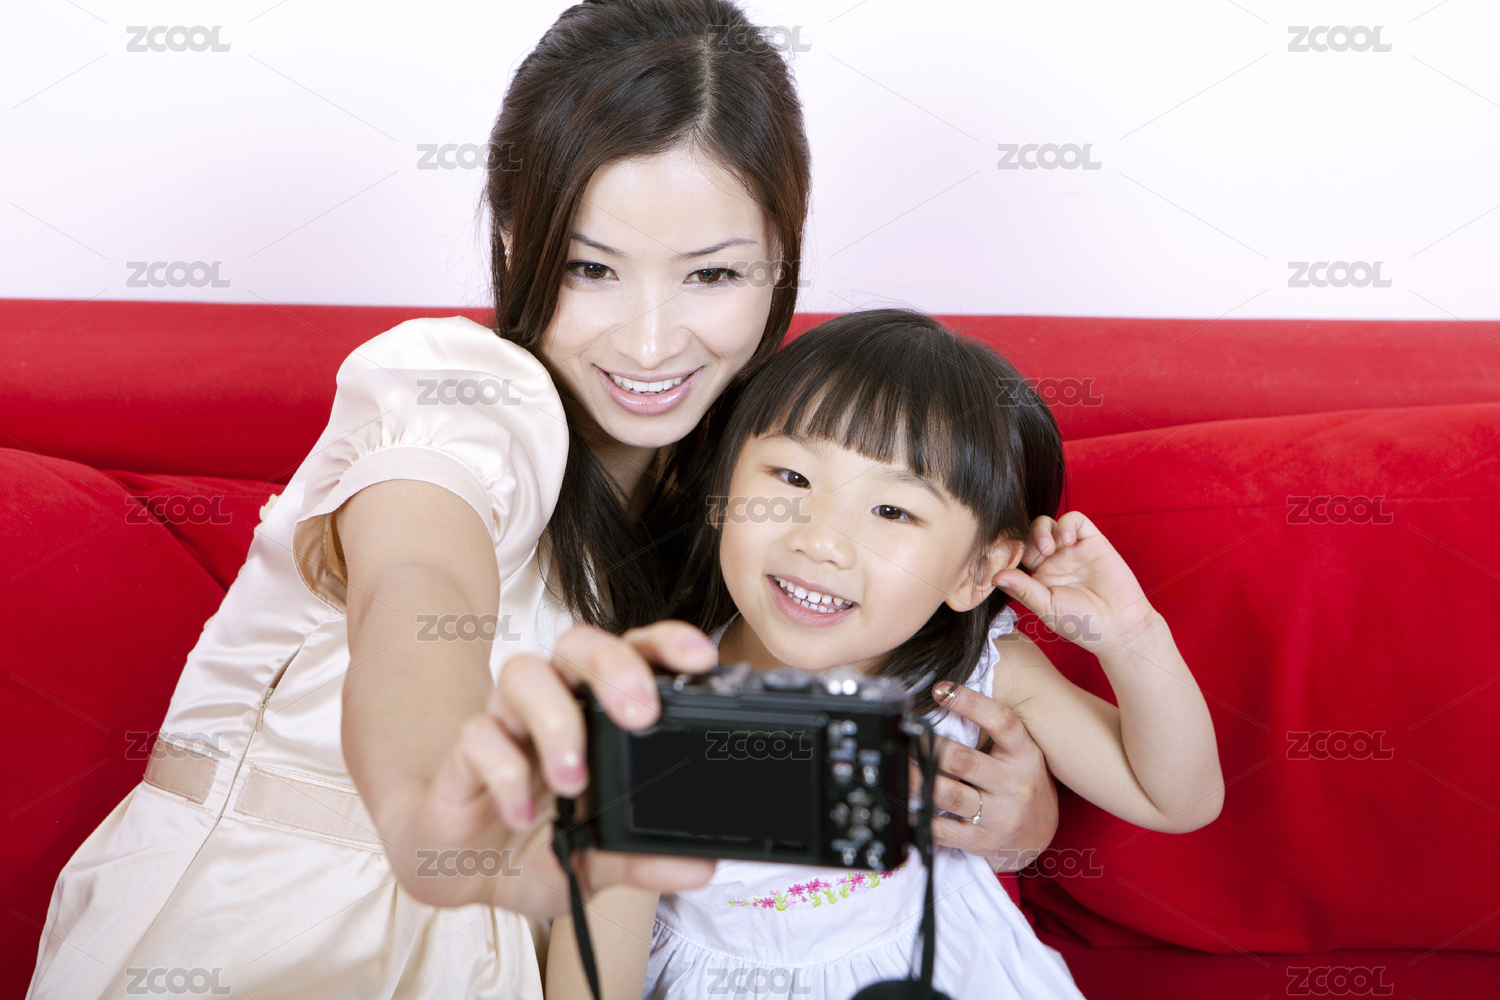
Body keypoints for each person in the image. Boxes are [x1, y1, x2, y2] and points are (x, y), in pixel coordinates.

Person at [26, 5, 1059, 999]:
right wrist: (419, 797)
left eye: (712, 276)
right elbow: (418, 582)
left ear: (781, 258)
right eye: (590, 268)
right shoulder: (462, 393)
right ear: (518, 242)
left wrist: (996, 815)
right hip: (271, 930)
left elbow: (730, 785)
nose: (649, 343)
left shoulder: (768, 492)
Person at [545, 311, 1226, 1000]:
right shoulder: (646, 704)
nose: (821, 541)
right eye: (792, 477)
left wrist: (1132, 637)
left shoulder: (976, 677)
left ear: (978, 571)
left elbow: (1177, 800)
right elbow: (595, 965)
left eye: (893, 512)